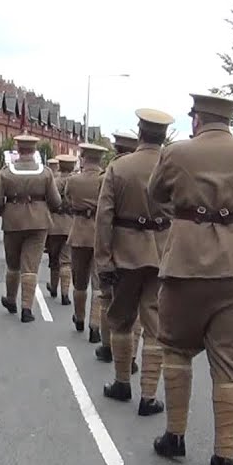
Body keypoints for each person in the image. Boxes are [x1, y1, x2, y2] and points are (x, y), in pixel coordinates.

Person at [148, 93, 233, 465]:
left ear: (196, 119)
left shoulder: (176, 153)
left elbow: (154, 196)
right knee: (229, 357)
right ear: (228, 119)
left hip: (185, 262)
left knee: (174, 348)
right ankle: (225, 454)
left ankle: (175, 436)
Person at [94, 108, 174, 415]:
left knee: (122, 320)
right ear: (163, 135)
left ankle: (122, 381)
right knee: (154, 325)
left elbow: (104, 217)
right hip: (163, 254)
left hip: (125, 255)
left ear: (140, 133)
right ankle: (149, 396)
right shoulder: (173, 167)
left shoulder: (119, 167)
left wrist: (104, 258)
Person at [0, 135, 62, 322]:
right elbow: (56, 201)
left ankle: (11, 299)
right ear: (34, 150)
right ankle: (27, 309)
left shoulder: (7, 172)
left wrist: (4, 212)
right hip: (38, 222)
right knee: (31, 266)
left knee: (13, 263)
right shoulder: (45, 172)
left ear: (18, 150)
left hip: (13, 221)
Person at [93, 130, 142, 360]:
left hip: (119, 246)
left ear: (116, 149)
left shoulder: (111, 173)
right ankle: (131, 357)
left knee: (109, 300)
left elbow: (103, 217)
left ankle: (108, 347)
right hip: (155, 250)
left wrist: (103, 257)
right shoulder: (160, 168)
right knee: (143, 309)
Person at [63, 144, 106, 331]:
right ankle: (95, 325)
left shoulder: (74, 180)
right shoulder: (105, 179)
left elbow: (67, 201)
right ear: (100, 159)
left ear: (83, 157)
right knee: (98, 283)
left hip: (79, 232)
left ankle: (79, 318)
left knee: (79, 281)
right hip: (101, 233)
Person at [44, 154, 76, 305]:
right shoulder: (78, 182)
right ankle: (65, 295)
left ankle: (54, 288)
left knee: (53, 258)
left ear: (60, 166)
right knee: (66, 261)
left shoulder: (54, 182)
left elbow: (48, 202)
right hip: (71, 225)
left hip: (54, 224)